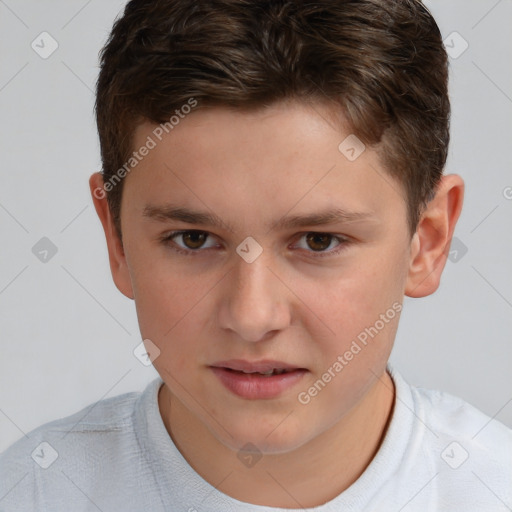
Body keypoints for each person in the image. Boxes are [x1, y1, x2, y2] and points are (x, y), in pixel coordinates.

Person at [1, 0, 510, 510]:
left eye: (318, 241)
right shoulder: (31, 492)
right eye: (193, 238)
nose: (251, 317)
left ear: (428, 240)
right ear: (117, 240)